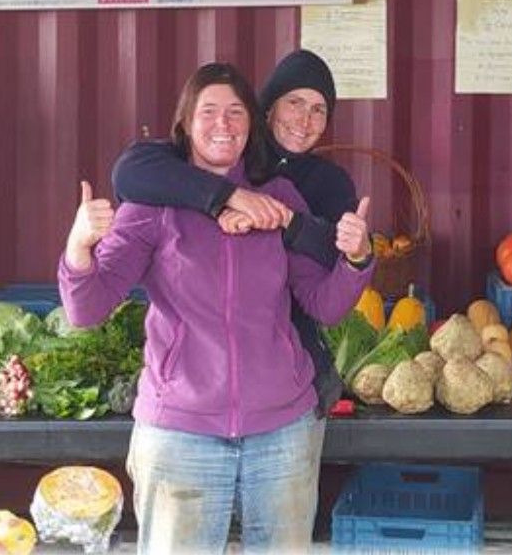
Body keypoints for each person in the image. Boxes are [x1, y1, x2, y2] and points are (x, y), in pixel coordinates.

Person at [59, 62, 373, 554]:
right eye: (209, 112)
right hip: (181, 429)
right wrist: (79, 247)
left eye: (234, 113)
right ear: (185, 123)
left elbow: (324, 305)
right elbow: (86, 309)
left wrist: (358, 260)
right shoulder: (153, 201)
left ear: (252, 126)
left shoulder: (279, 197)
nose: (223, 124)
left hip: (281, 429)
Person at [111, 50, 360, 418]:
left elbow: (333, 254)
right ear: (267, 109)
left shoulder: (329, 182)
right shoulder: (215, 155)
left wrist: (281, 220)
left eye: (318, 109)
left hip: (290, 372)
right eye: (294, 102)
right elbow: (129, 173)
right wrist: (229, 196)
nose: (304, 120)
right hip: (200, 377)